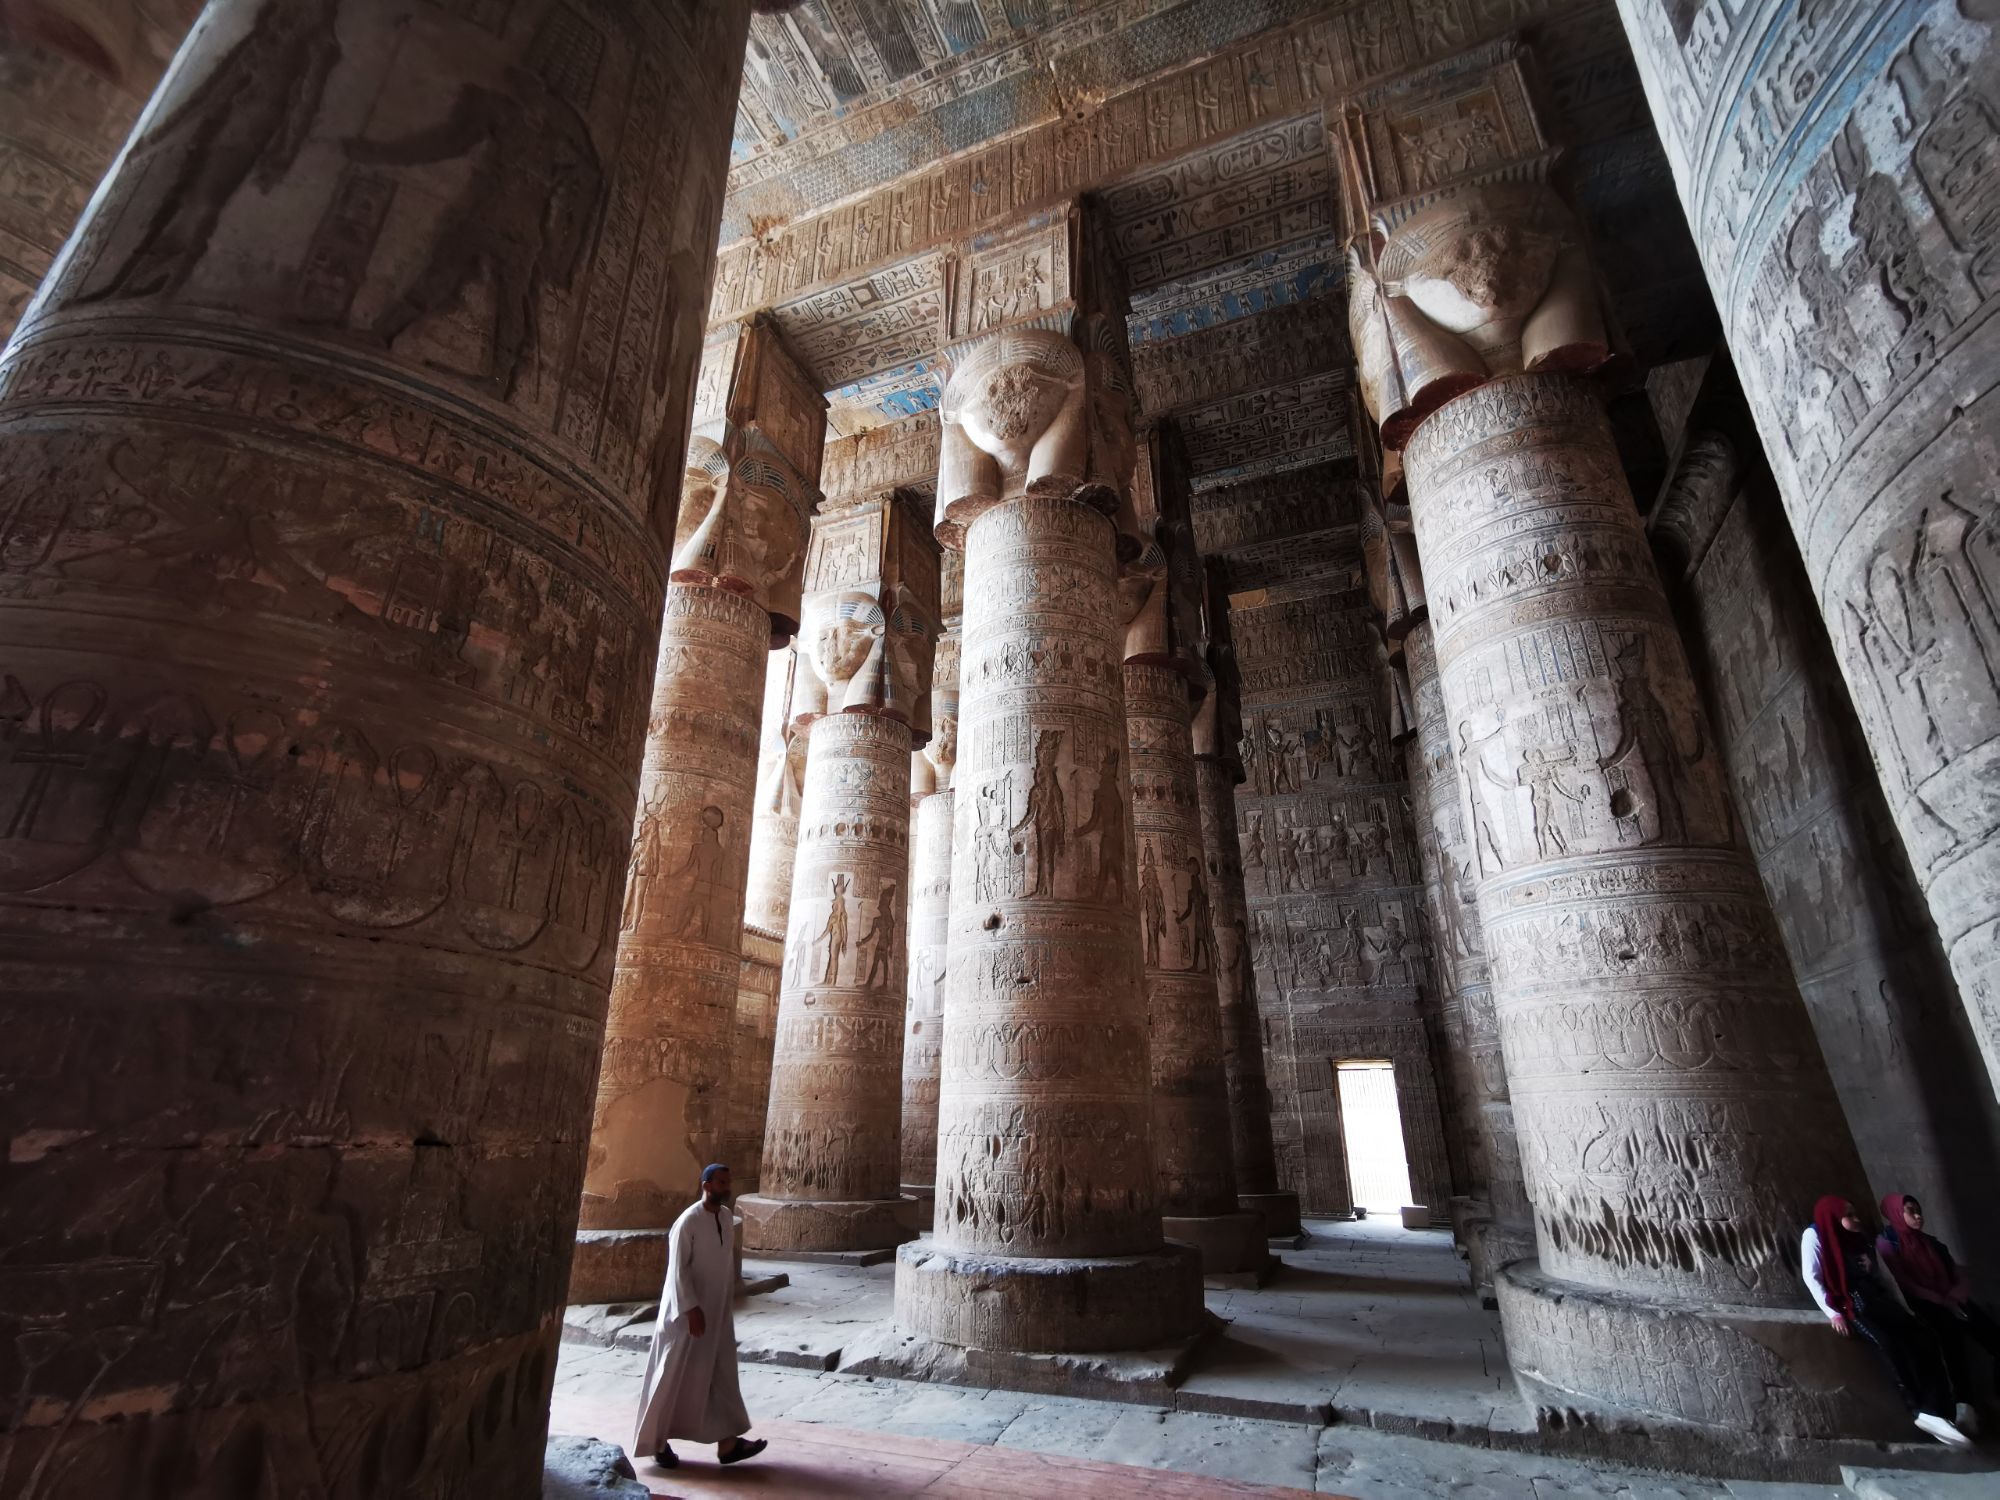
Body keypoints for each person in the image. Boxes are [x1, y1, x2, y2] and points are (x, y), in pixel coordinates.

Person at [1802, 1195, 1968, 1447]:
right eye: (1849, 1215)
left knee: (1924, 1338)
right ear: (1834, 1218)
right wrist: (1833, 1312)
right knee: (1891, 1346)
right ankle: (1918, 1409)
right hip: (1853, 1303)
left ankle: (1940, 1411)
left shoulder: (1861, 1239)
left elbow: (1883, 1276)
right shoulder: (1815, 1236)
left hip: (1878, 1299)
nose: (1856, 1220)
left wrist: (1903, 1308)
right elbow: (1812, 1276)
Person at [634, 1165, 768, 1470]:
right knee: (673, 1376)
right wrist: (691, 1308)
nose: (727, 1187)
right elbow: (678, 1270)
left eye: (728, 1182)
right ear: (706, 1184)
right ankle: (657, 1442)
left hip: (717, 1312)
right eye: (721, 1182)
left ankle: (728, 1444)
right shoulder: (687, 1222)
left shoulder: (724, 1218)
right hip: (686, 1317)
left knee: (720, 1375)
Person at [1878, 1193, 1999, 1428]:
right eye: (1910, 1211)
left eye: (1918, 1209)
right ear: (1896, 1213)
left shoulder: (1931, 1242)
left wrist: (1956, 1295)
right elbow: (1903, 1281)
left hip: (1952, 1299)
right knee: (1950, 1344)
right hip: (1924, 1305)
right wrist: (1939, 1300)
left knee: (1992, 1336)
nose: (1917, 1215)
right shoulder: (1888, 1243)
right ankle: (1965, 1408)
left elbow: (1956, 1272)